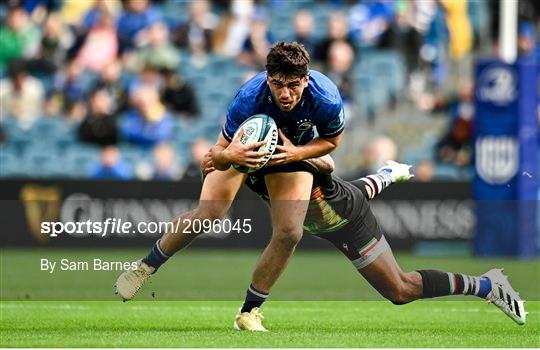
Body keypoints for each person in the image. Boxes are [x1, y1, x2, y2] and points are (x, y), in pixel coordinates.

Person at [114, 42, 346, 328]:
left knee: (290, 232)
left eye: (293, 85)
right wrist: (229, 155)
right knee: (208, 215)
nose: (285, 94)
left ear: (306, 80)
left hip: (290, 151)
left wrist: (297, 153)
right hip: (242, 148)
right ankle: (146, 266)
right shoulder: (249, 97)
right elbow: (216, 157)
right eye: (277, 84)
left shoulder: (326, 97)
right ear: (267, 78)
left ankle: (248, 312)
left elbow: (332, 141)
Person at [201, 155, 527, 330]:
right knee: (343, 196)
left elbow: (327, 164)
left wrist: (304, 155)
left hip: (349, 218)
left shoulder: (295, 157)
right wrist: (218, 157)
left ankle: (488, 286)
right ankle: (387, 173)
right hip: (326, 217)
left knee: (400, 290)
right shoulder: (242, 163)